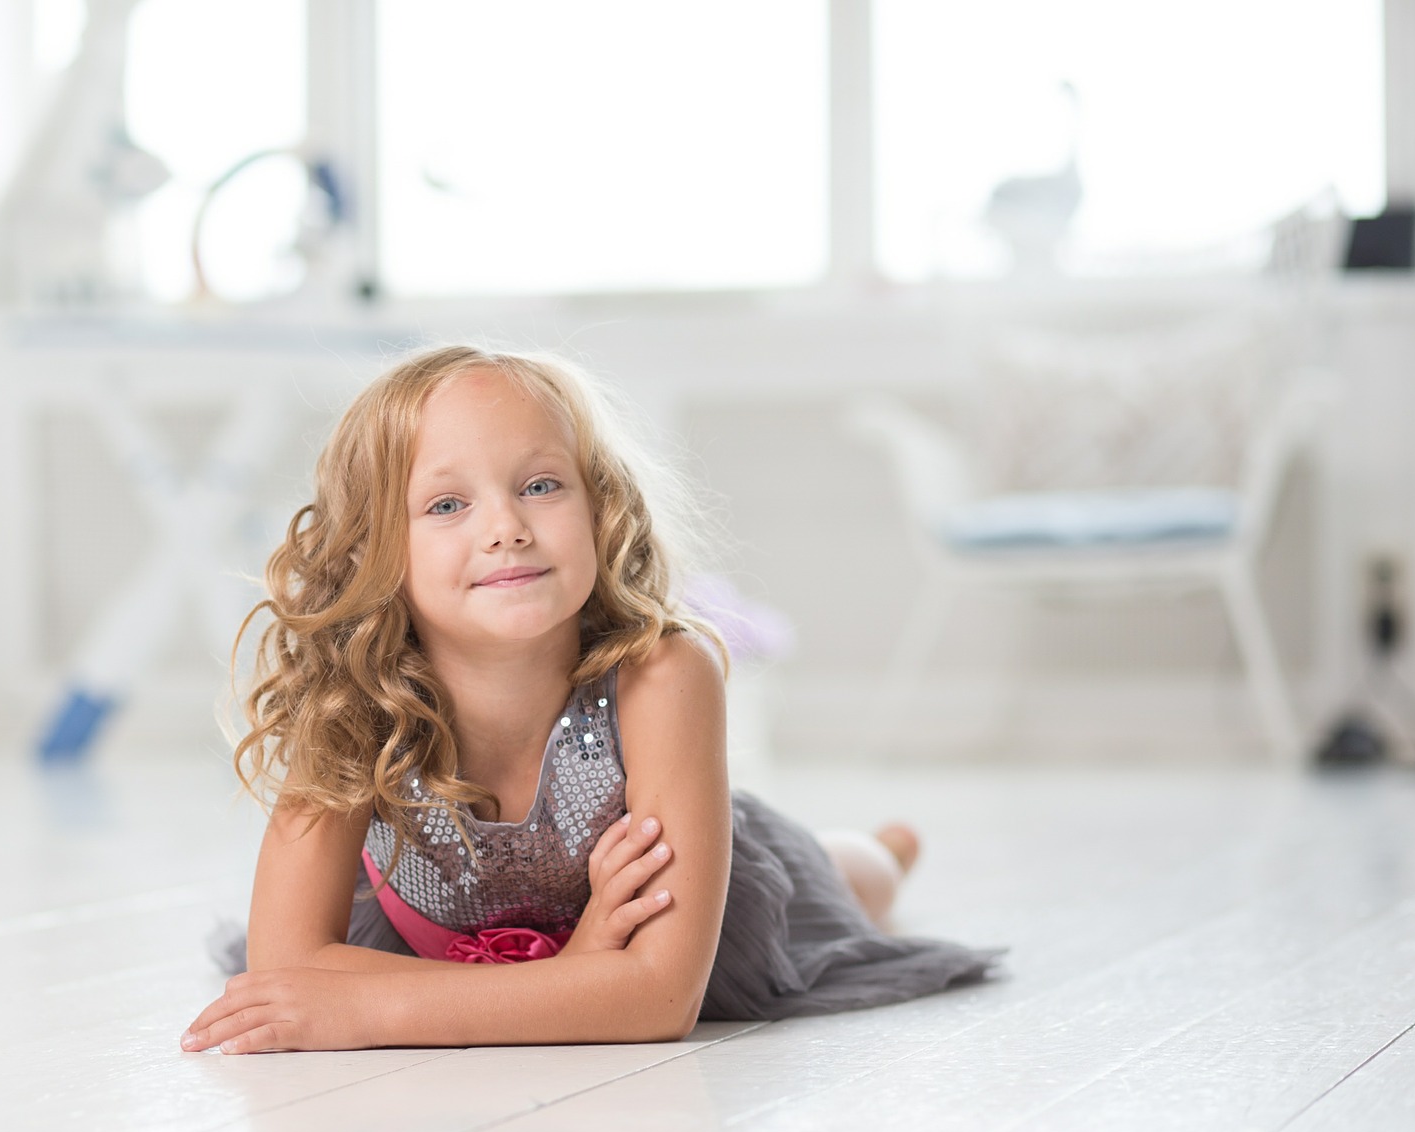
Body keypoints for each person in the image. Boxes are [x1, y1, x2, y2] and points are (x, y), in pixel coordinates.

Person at [183, 346, 1005, 1054]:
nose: (505, 526)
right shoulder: (353, 702)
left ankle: (879, 853)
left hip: (699, 910)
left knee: (840, 880)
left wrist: (379, 1004)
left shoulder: (666, 674)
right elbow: (285, 967)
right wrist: (577, 976)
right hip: (450, 932)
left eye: (541, 486)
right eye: (446, 504)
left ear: (600, 505)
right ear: (375, 551)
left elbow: (657, 999)